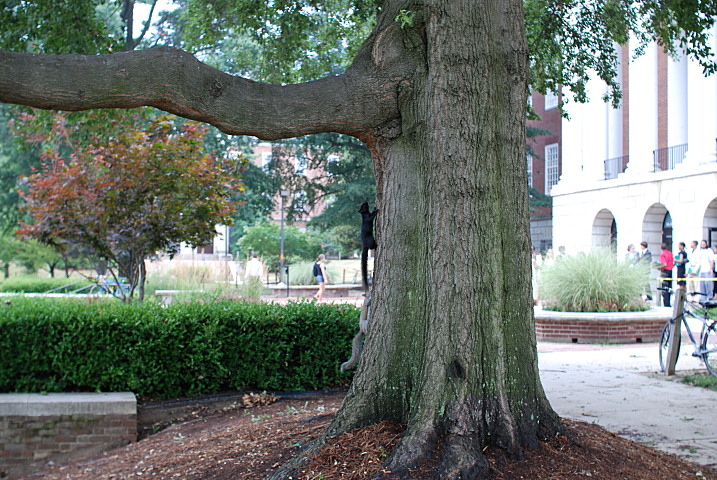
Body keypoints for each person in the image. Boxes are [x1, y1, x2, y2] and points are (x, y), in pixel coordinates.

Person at [656, 243, 674, 307]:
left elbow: (664, 264)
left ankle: (666, 303)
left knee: (664, 288)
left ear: (661, 248)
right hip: (670, 271)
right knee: (669, 287)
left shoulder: (662, 254)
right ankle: (668, 302)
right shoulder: (670, 253)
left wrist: (657, 267)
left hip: (665, 272)